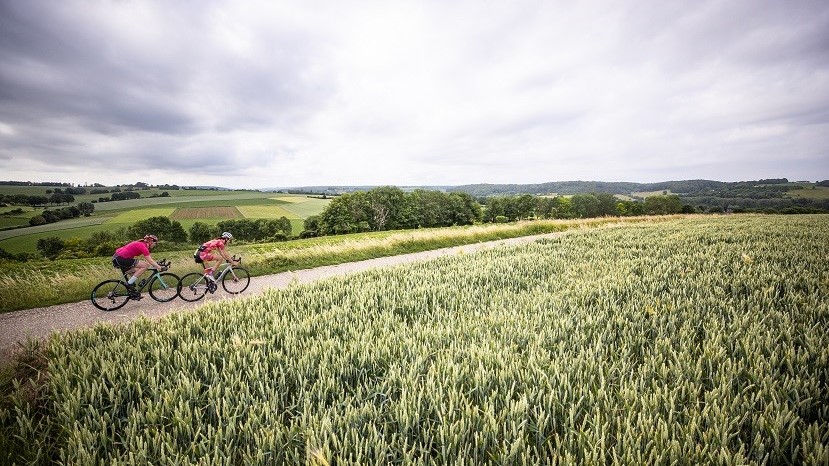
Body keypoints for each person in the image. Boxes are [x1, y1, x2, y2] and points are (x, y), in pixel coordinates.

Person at [112, 234, 166, 299]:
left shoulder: (141, 244)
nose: (155, 245)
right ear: (151, 242)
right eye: (155, 243)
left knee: (137, 271)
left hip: (117, 258)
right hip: (122, 258)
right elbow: (150, 261)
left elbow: (150, 261)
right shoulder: (143, 246)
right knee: (145, 265)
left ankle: (133, 293)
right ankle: (129, 283)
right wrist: (160, 268)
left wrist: (156, 264)